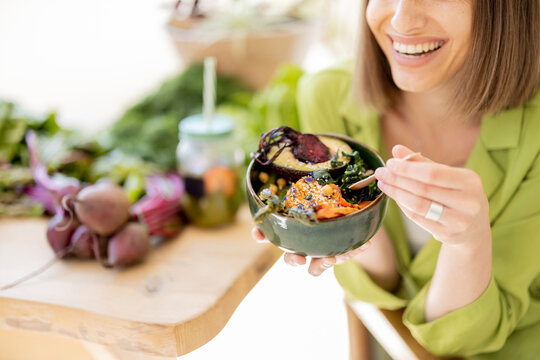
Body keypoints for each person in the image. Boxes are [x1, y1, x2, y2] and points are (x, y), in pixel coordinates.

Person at [252, 0, 540, 358]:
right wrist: (344, 229)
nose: (402, 19)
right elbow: (381, 287)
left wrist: (468, 242)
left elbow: (466, 340)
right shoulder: (327, 94)